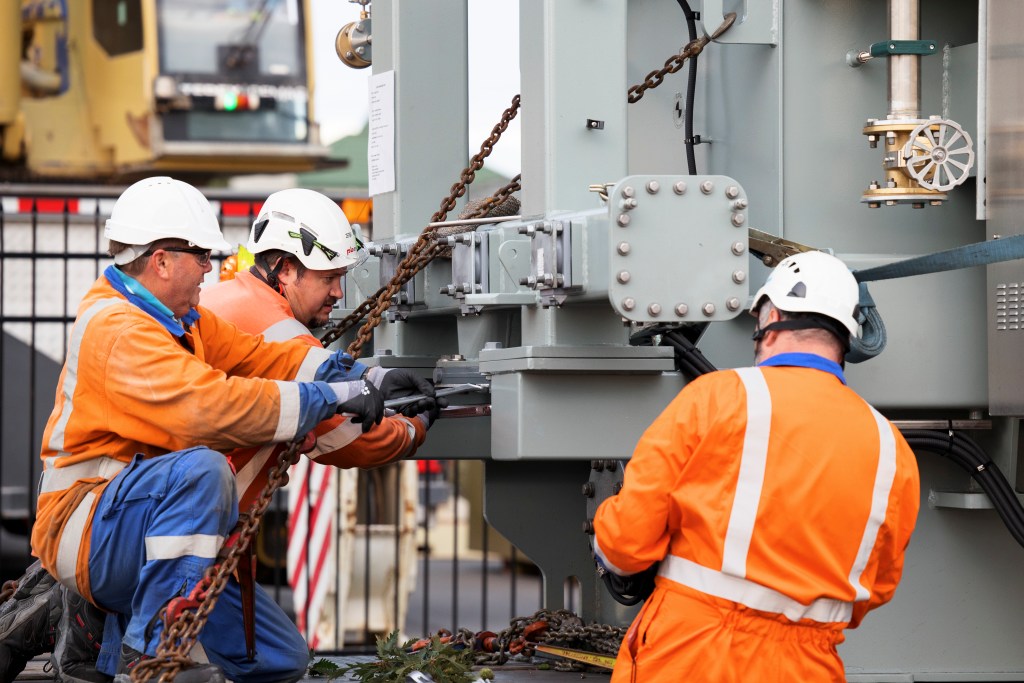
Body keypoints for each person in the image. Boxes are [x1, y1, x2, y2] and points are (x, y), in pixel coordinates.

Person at [7, 176, 437, 683]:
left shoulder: (181, 320)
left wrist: (360, 374)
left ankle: (105, 624)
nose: (210, 269)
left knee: (280, 660)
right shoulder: (120, 329)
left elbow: (261, 359)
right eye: (200, 256)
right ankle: (145, 657)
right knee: (202, 471)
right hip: (89, 525)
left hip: (140, 524)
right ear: (161, 259)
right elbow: (208, 407)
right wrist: (342, 400)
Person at [593, 250, 920, 682]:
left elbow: (629, 539)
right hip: (810, 663)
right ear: (847, 337)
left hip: (696, 655)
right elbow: (875, 587)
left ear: (773, 315)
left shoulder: (716, 398)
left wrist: (607, 542)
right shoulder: (892, 448)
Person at [200, 188, 438, 647]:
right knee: (258, 660)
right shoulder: (282, 331)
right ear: (285, 268)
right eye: (329, 277)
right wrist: (416, 428)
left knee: (275, 658)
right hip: (197, 534)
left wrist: (372, 377)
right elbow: (352, 439)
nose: (338, 291)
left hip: (189, 519)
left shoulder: (226, 299)